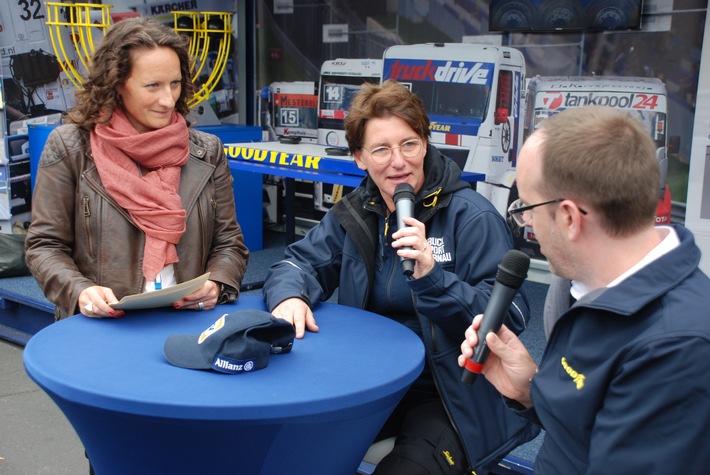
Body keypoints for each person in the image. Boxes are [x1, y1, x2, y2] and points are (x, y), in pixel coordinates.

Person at [263, 80, 538, 474]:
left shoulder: (472, 216)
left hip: (446, 393)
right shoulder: (357, 211)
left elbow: (509, 316)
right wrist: (290, 296)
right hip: (369, 382)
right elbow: (295, 264)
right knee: (288, 451)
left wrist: (432, 278)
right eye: (381, 149)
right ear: (359, 158)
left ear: (425, 144)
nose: (398, 162)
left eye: (409, 144)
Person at [458, 105, 710, 474]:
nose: (525, 220)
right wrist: (530, 390)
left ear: (569, 217)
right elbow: (586, 434)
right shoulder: (593, 288)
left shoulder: (675, 351)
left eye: (526, 206)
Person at [25, 17, 249, 321]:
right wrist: (80, 290)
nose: (168, 100)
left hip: (187, 321)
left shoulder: (206, 151)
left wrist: (217, 282)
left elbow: (229, 243)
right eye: (152, 86)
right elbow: (44, 246)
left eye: (174, 84)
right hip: (104, 328)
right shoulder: (70, 147)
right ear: (117, 85)